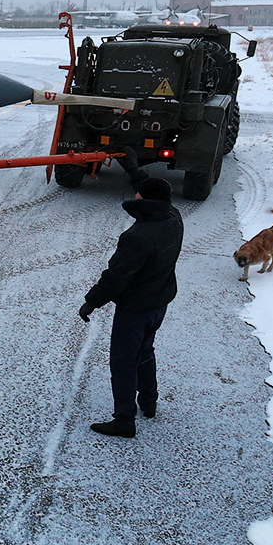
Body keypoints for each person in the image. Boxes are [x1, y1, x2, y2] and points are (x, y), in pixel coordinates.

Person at [77, 151, 184, 438]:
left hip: (135, 310)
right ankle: (148, 403)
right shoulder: (173, 217)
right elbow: (148, 186)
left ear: (142, 200)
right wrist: (131, 165)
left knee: (123, 362)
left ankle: (124, 420)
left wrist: (91, 301)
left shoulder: (137, 237)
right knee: (145, 352)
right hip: (159, 303)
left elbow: (117, 277)